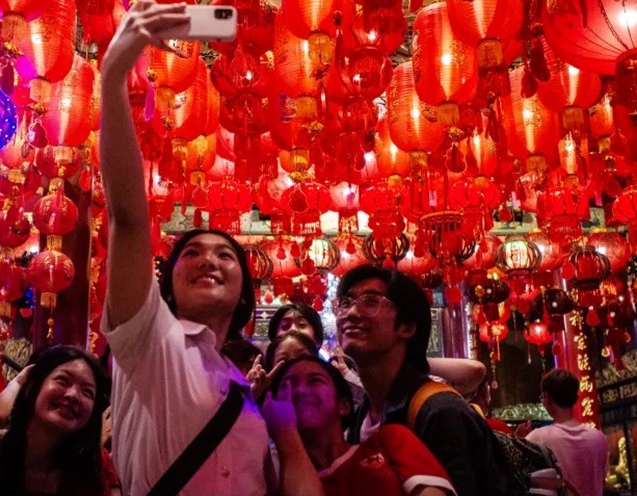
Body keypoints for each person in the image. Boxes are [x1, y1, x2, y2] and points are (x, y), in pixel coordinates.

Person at [99, 3, 271, 494]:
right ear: (166, 286)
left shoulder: (239, 384)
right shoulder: (153, 341)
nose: (208, 260)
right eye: (191, 254)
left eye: (224, 255)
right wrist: (113, 76)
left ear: (244, 293)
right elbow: (129, 221)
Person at [336, 265, 509, 495]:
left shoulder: (440, 412)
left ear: (407, 328)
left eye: (370, 302)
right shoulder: (362, 414)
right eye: (346, 303)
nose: (351, 313)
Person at [0, 345, 119, 496]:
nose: (73, 395)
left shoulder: (97, 468)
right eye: (63, 380)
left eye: (87, 392)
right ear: (31, 389)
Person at [262, 356, 456, 496]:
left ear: (344, 406)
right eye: (288, 385)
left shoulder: (389, 440)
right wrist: (285, 433)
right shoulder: (273, 482)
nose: (300, 391)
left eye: (315, 381)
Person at [525, 369, 608, 496]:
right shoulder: (599, 438)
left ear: (547, 397)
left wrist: (519, 439)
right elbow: (602, 481)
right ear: (575, 397)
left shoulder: (537, 438)